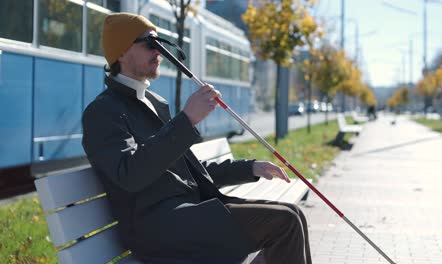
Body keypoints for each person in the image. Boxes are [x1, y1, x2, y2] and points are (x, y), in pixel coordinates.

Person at [82, 13, 311, 264]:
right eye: (150, 44)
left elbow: (192, 172)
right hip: (158, 229)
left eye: (161, 44)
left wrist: (250, 168)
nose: (159, 52)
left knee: (293, 213)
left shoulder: (154, 102)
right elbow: (129, 174)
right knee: (284, 223)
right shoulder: (103, 112)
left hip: (187, 216)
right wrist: (186, 120)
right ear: (122, 52)